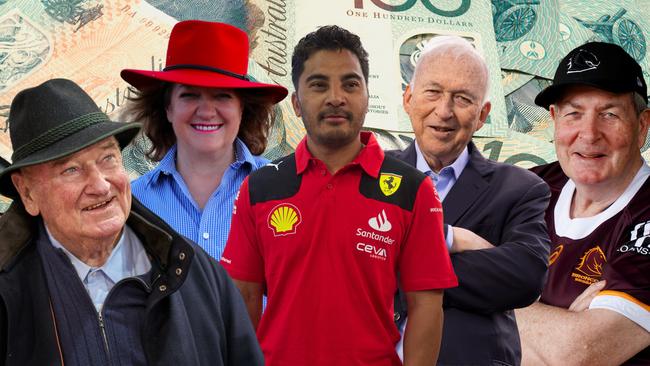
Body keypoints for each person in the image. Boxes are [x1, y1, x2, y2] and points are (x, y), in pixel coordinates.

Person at [220, 25, 458, 366]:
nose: (336, 97)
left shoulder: (412, 189)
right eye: (319, 85)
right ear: (297, 103)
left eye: (350, 83)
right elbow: (242, 299)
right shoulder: (259, 188)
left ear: (366, 94)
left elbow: (426, 306)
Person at [0, 78, 263, 365]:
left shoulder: (193, 270)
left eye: (108, 158)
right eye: (71, 170)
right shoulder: (9, 290)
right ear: (27, 192)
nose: (100, 185)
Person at [391, 35, 551, 365]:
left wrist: (398, 257)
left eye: (462, 98)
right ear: (408, 99)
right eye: (432, 92)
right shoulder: (368, 175)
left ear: (481, 115)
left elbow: (525, 275)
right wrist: (455, 240)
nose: (444, 111)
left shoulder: (520, 189)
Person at [516, 42, 650, 365]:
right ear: (554, 119)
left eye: (609, 114)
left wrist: (484, 302)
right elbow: (430, 277)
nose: (589, 134)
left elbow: (578, 354)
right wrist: (556, 325)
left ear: (642, 126)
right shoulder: (529, 188)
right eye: (574, 113)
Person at [120, 20, 287, 260]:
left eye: (222, 96)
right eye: (189, 95)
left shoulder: (282, 191)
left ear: (243, 109)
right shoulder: (134, 204)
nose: (207, 111)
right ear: (168, 107)